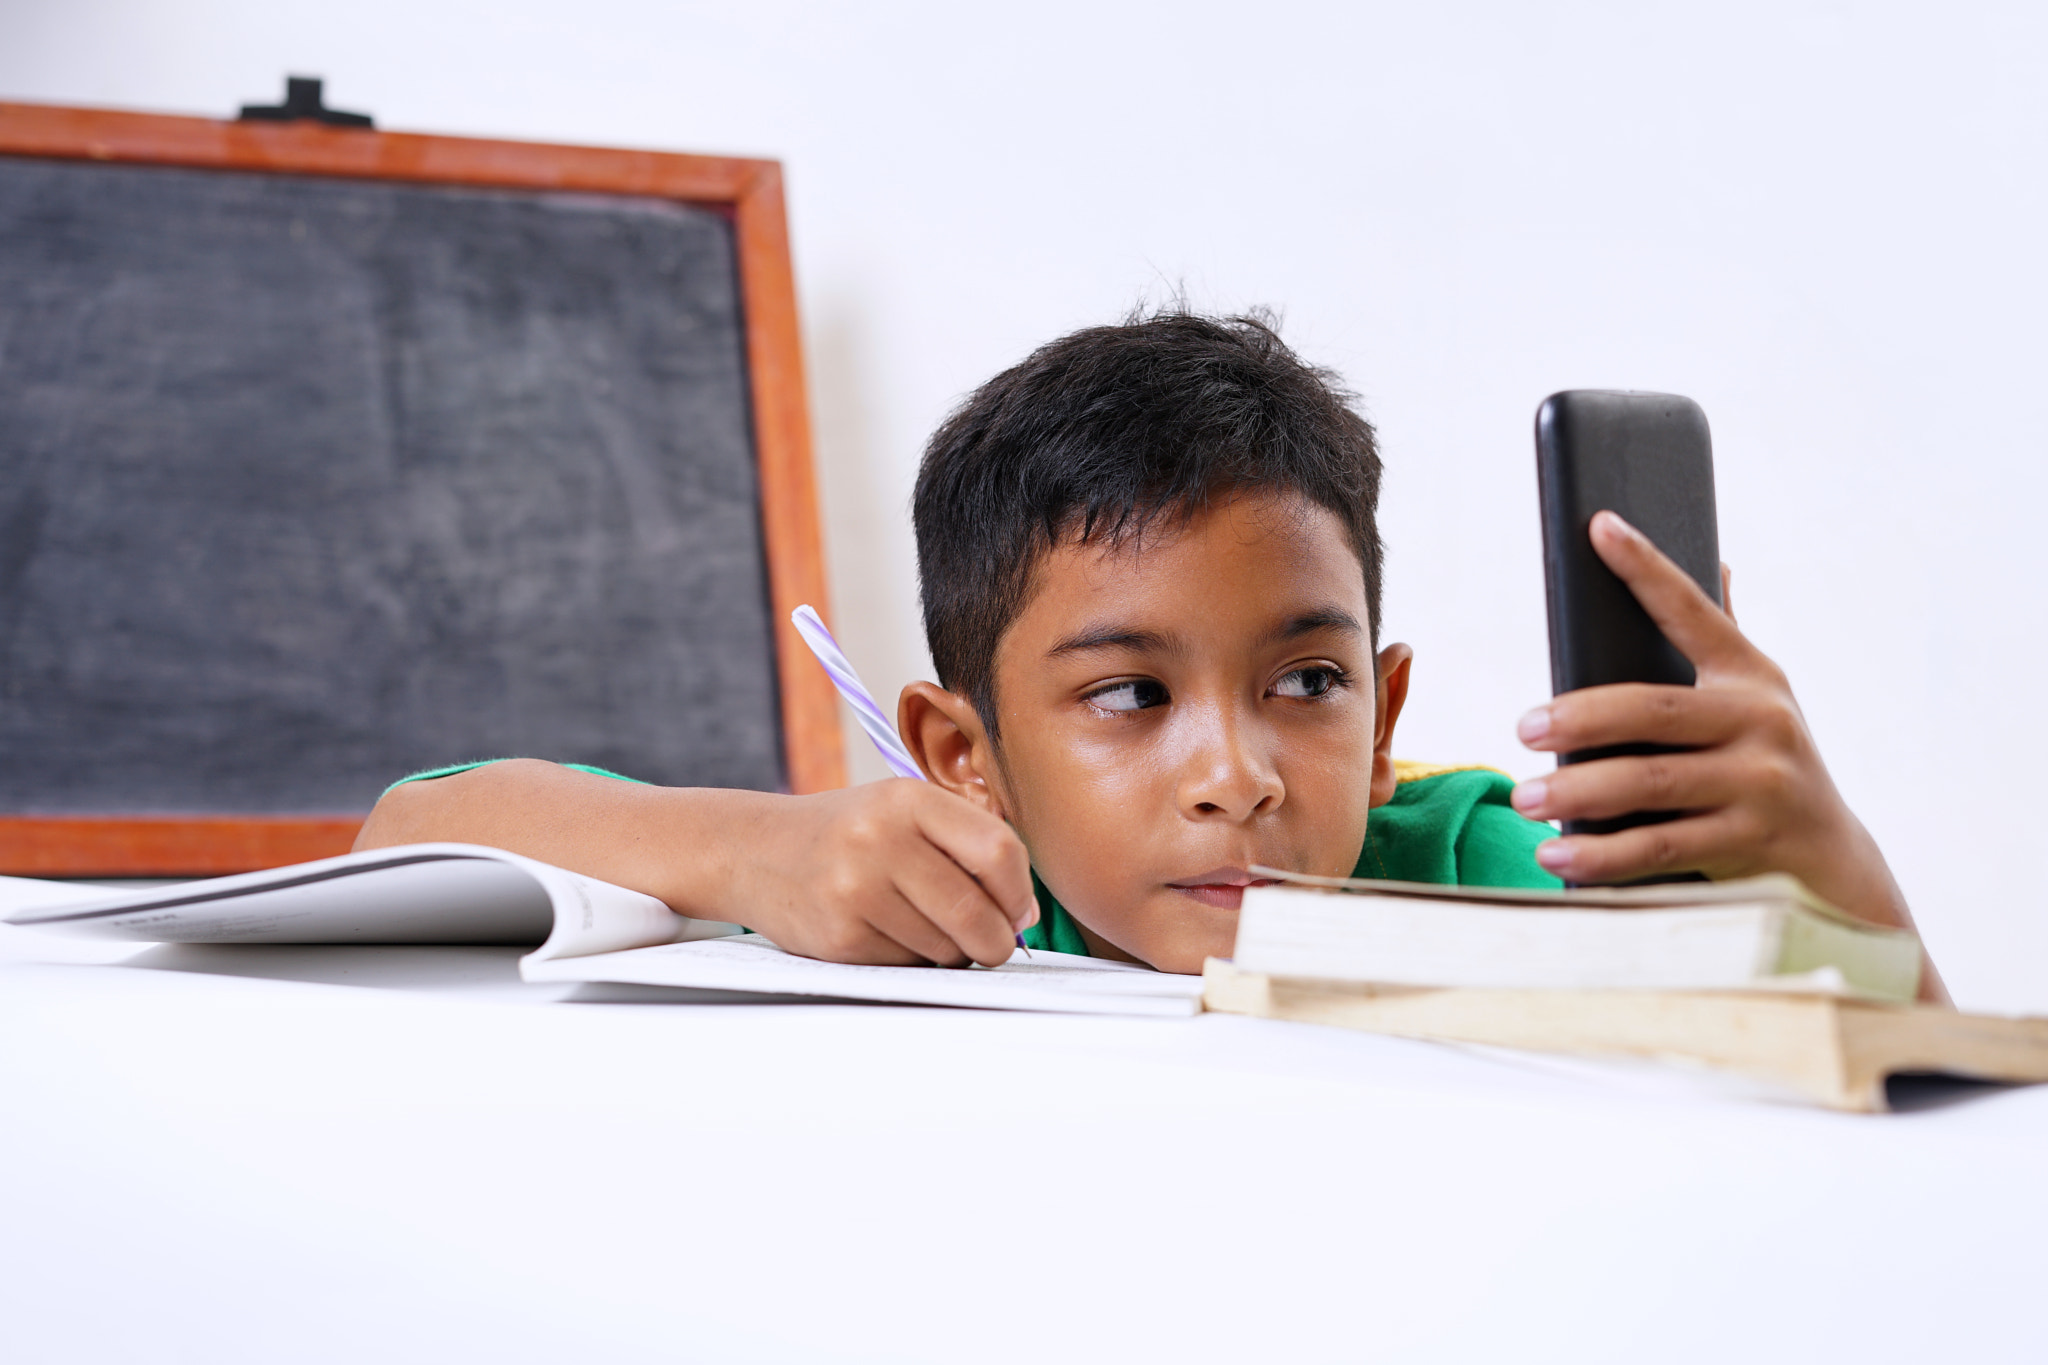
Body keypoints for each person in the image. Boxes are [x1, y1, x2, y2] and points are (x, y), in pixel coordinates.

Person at [355, 310, 1945, 1001]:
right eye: (1131, 696)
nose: (1238, 777)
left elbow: (1893, 1072)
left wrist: (1832, 860)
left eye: (1306, 684)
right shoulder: (953, 903)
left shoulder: (1478, 873)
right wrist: (754, 847)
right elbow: (407, 827)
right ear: (962, 754)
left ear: (1384, 714)